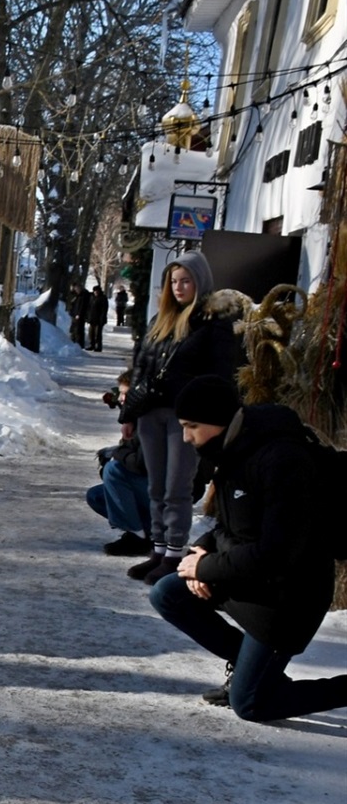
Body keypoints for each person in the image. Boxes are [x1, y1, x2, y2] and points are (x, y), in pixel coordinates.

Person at [149, 375, 347, 721]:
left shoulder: (281, 460)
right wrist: (201, 551)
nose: (186, 437)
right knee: (168, 593)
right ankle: (248, 670)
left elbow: (276, 553)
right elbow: (231, 525)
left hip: (287, 599)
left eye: (192, 426)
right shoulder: (233, 449)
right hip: (252, 580)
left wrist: (206, 568)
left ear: (218, 420)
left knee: (252, 705)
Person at [119, 252, 246, 584]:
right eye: (173, 281)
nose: (178, 287)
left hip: (185, 418)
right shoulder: (159, 320)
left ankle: (174, 554)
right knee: (156, 486)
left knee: (177, 487)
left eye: (185, 281)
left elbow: (220, 377)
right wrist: (128, 414)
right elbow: (141, 368)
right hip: (150, 414)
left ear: (200, 281)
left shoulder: (213, 323)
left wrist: (208, 419)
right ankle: (158, 551)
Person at [89, 373, 152, 555]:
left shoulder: (150, 420)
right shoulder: (134, 420)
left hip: (164, 492)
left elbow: (140, 464)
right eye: (120, 393)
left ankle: (137, 537)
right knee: (96, 496)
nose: (121, 398)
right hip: (147, 486)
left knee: (114, 469)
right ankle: (147, 532)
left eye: (126, 394)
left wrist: (116, 455)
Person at [87, 285, 109, 352]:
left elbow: (104, 310)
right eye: (94, 291)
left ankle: (98, 346)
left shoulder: (103, 298)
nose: (95, 292)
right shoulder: (92, 298)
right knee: (91, 333)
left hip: (99, 319)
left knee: (98, 334)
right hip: (92, 318)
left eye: (97, 291)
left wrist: (102, 319)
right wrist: (88, 317)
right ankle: (92, 345)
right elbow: (89, 308)